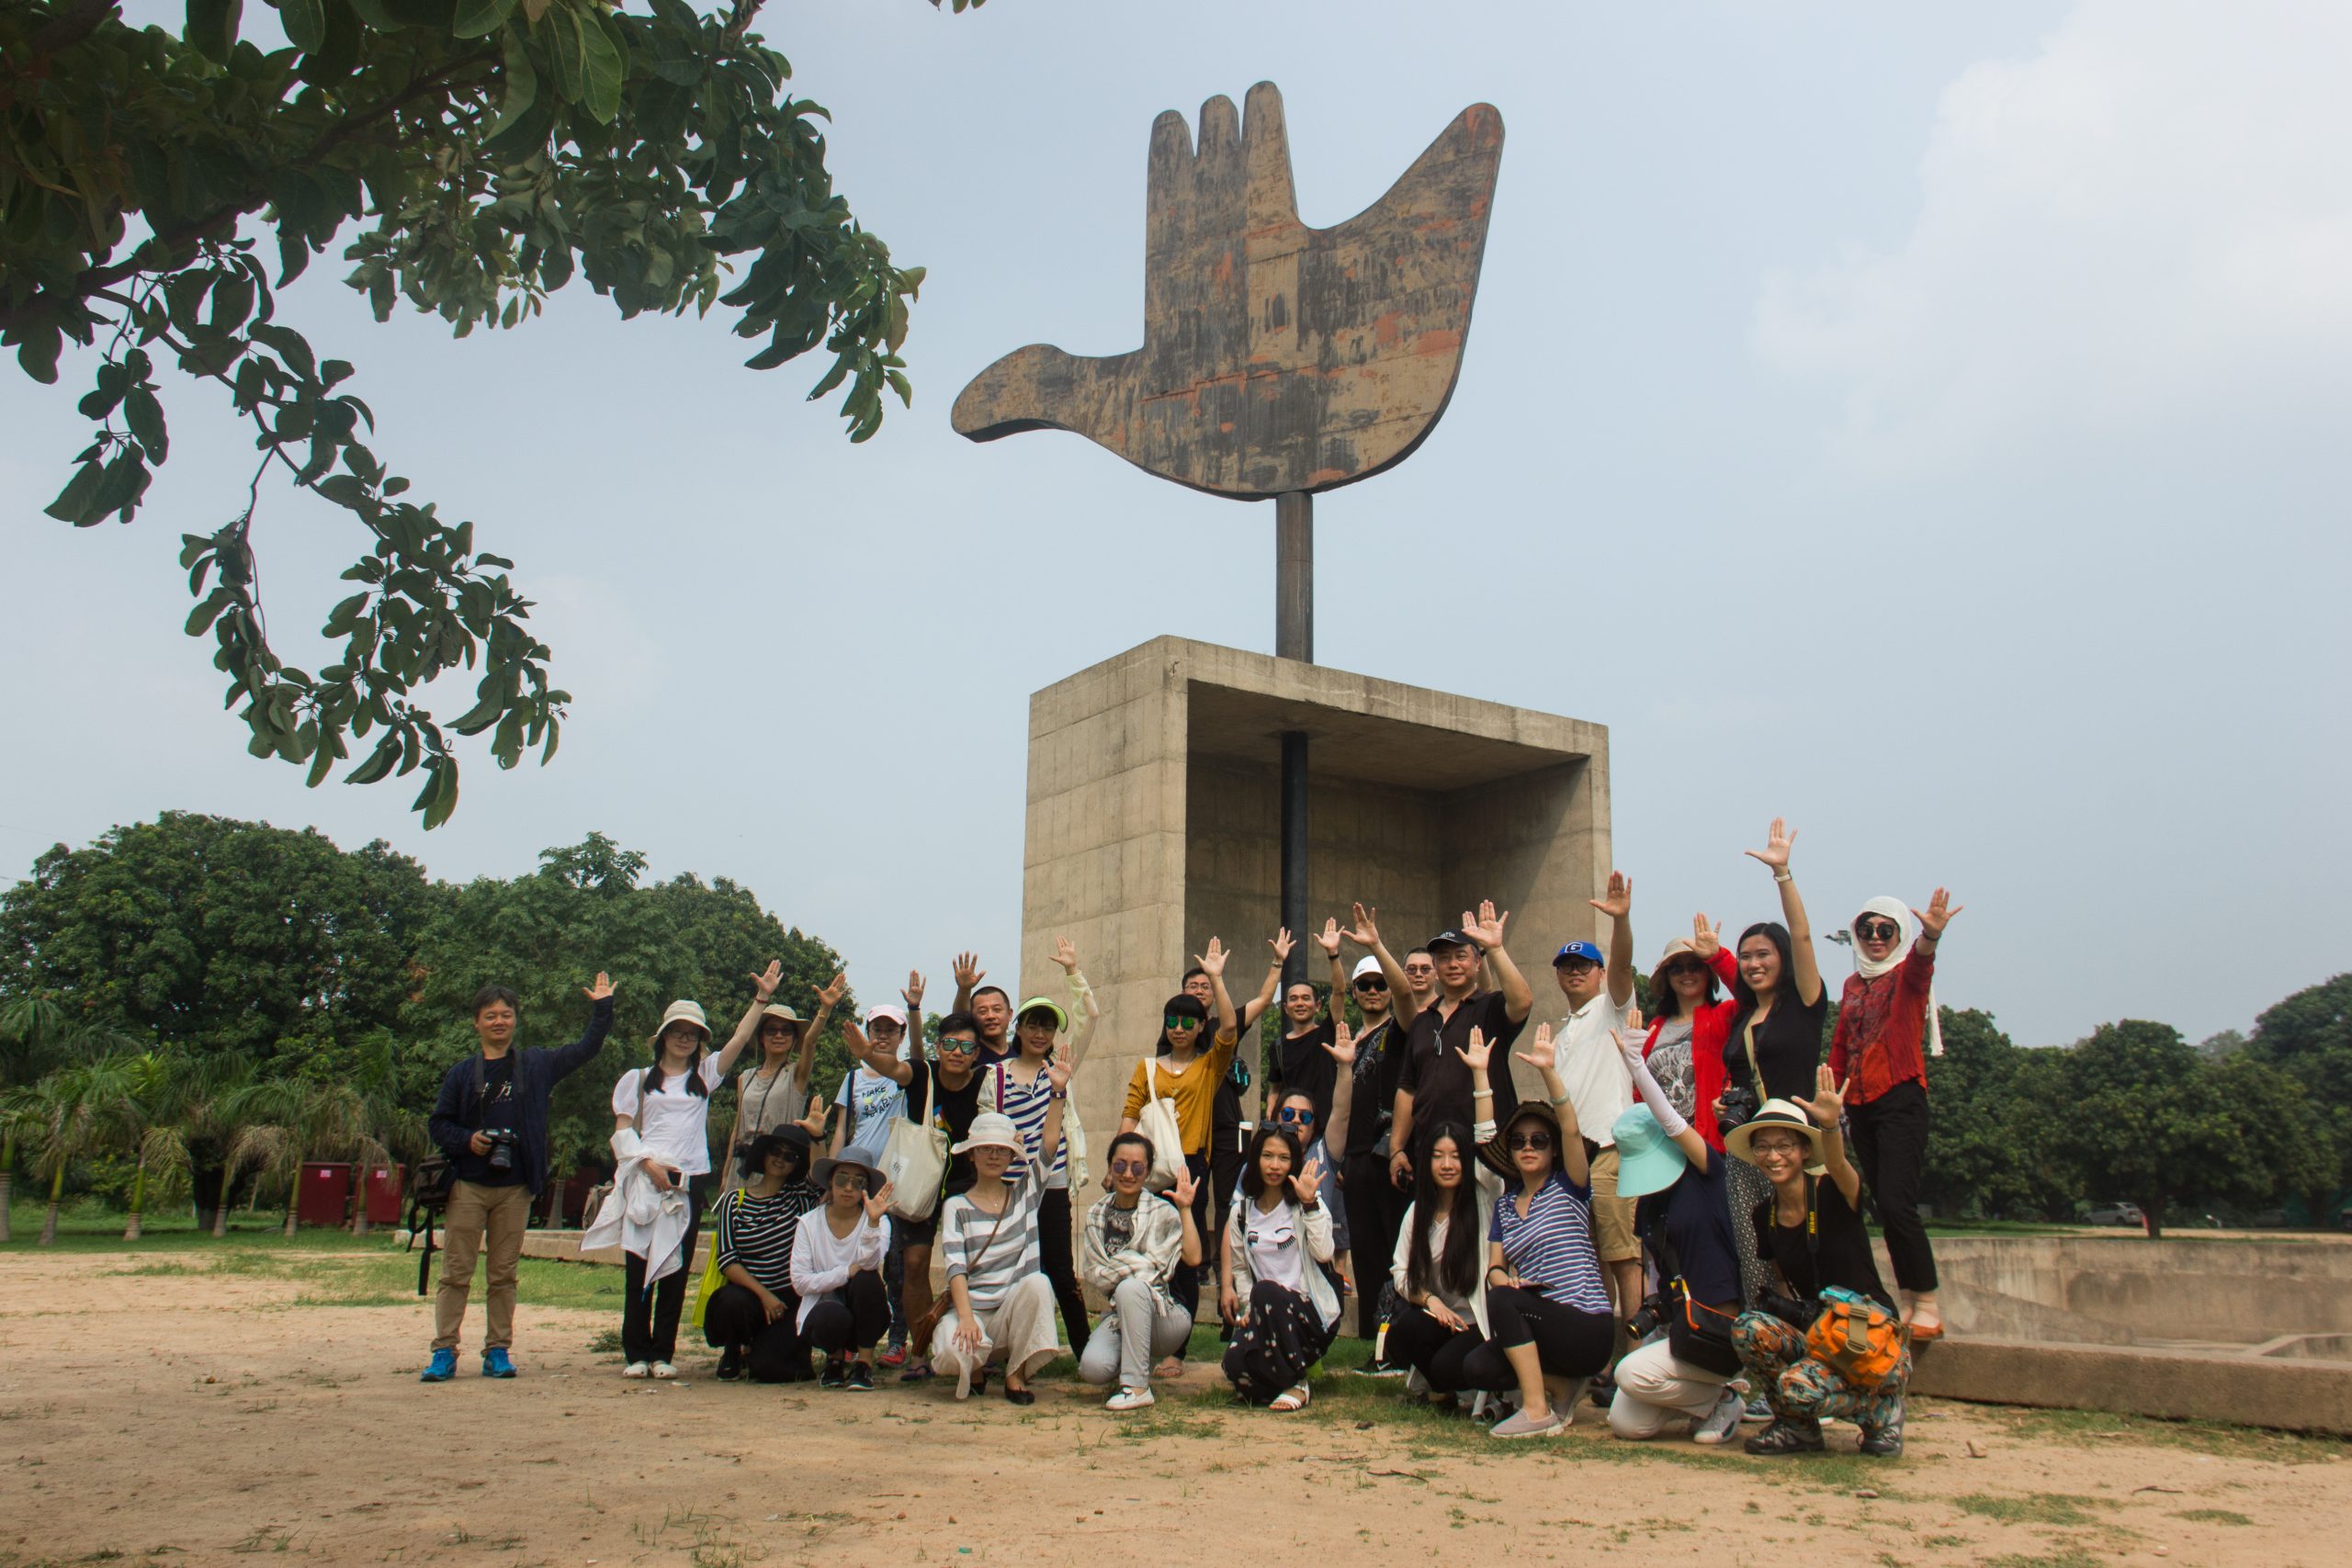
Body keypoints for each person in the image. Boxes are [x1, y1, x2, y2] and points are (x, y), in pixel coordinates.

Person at [422, 973, 616, 1382]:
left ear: (516, 1019)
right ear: (476, 1022)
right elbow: (438, 1124)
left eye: (506, 1014)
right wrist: (468, 1140)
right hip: (468, 1185)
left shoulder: (536, 1065)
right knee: (455, 1273)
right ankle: (444, 1351)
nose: (499, 1021)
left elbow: (585, 1049)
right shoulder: (461, 1074)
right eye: (490, 1015)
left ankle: (498, 1350)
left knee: (503, 1274)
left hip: (515, 1188)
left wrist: (603, 1008)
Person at [588, 966, 775, 1378]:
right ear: (664, 1036)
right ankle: (636, 1353)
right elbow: (622, 1130)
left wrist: (761, 1000)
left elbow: (739, 1040)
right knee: (639, 1269)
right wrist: (647, 1164)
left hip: (687, 1184)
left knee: (674, 1268)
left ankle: (662, 1354)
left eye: (692, 1033)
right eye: (678, 1031)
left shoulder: (703, 1078)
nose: (685, 1039)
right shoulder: (638, 1080)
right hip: (646, 1181)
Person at [1725, 1070, 1912, 1454]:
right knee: (1748, 1328)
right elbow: (1782, 1282)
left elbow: (1840, 1166)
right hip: (1819, 1329)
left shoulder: (1831, 1193)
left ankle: (1881, 1409)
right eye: (1763, 1147)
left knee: (1796, 1387)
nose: (1773, 1156)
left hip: (1865, 1329)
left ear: (1805, 1151)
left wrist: (1830, 1127)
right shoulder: (1765, 1215)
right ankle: (1798, 1428)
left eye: (1784, 1146)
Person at [1453, 1024, 1614, 1438]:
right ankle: (1561, 1387)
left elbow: (1572, 1129)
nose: (1528, 1147)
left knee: (1505, 1302)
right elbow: (1494, 1267)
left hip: (1585, 1324)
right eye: (1520, 1141)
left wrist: (1549, 1072)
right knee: (1477, 1366)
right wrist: (1503, 1279)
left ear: (1553, 1148)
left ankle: (1537, 1410)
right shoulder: (1506, 1206)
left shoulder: (1570, 1187)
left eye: (1539, 1140)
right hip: (1538, 1320)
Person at [1608, 1015, 1750, 1446]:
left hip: (1720, 1328)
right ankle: (1705, 1400)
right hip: (1683, 1331)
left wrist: (1637, 1067)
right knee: (1626, 1422)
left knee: (1630, 1373)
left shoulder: (1707, 1173)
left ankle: (1723, 1398)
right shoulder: (1651, 1205)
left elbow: (1671, 1121)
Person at [1828, 889, 1962, 1340]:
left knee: (1897, 1202)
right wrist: (1832, 1094)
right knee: (1881, 1205)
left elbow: (1922, 965)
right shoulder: (1853, 984)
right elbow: (1843, 1042)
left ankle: (1927, 1302)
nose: (1875, 937)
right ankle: (1907, 1301)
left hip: (1899, 1097)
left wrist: (1931, 936)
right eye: (1866, 929)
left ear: (1900, 934)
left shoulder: (1906, 976)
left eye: (1886, 930)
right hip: (1860, 1103)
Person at [837, 984, 986, 1383]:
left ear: (977, 1053)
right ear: (938, 1047)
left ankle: (976, 1346)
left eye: (966, 1046)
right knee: (915, 1264)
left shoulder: (985, 1081)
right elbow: (896, 1070)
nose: (957, 1052)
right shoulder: (923, 1073)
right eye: (949, 1044)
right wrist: (868, 1054)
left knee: (973, 1266)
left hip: (966, 1183)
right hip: (919, 1181)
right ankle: (920, 1352)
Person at [1718, 818, 1828, 1309]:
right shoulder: (1742, 1016)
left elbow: (1802, 937)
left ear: (1781, 958)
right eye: (1744, 957)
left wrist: (1782, 874)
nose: (1753, 964)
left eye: (1763, 954)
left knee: (1811, 1246)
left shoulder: (1803, 1004)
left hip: (1798, 1144)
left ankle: (1823, 1336)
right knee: (1755, 1256)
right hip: (1749, 1150)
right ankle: (1765, 1339)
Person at [986, 935, 1102, 1353]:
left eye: (1048, 1027)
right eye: (1033, 1025)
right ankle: (1008, 1348)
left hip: (1051, 1184)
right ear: (1018, 1029)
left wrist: (1073, 971)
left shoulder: (1061, 1066)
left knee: (1060, 1268)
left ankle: (1085, 1351)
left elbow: (1091, 1015)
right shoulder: (996, 1075)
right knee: (1009, 1266)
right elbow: (985, 1123)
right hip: (1008, 1185)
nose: (1040, 1033)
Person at [1548, 869, 1642, 1389]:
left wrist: (1621, 921)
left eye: (1584, 965)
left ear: (1600, 973)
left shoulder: (1612, 1008)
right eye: (1567, 967)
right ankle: (1602, 1360)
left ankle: (1635, 1358)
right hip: (1573, 1159)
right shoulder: (1564, 1030)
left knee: (1623, 1255)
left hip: (1610, 1148)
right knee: (1593, 1262)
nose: (1575, 972)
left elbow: (1623, 965)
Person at [1123, 942, 1243, 1349]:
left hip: (1190, 1166)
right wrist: (1119, 1165)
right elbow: (1130, 1116)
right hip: (1146, 1166)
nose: (1178, 1028)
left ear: (1199, 1026)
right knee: (1145, 1247)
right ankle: (1141, 1333)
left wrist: (1216, 980)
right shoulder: (1147, 1068)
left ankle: (1179, 1345)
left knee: (1187, 1257)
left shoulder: (1209, 1066)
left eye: (1187, 1022)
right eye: (1172, 1021)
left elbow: (1230, 1028)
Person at [935, 1076, 1071, 1404]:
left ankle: (1015, 1374)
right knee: (952, 1352)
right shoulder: (956, 1206)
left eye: (1002, 1150)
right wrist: (966, 1317)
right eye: (985, 1149)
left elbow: (1049, 1147)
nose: (993, 1156)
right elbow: (955, 1267)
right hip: (972, 1312)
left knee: (1039, 1283)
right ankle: (976, 1368)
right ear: (972, 1155)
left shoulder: (1025, 1195)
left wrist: (1057, 1093)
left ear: (1012, 1156)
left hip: (1011, 1313)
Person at [1390, 901, 1533, 1189]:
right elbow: (1407, 1088)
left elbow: (1522, 1002)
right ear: (1435, 967)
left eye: (1461, 956)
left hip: (1487, 1149)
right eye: (1444, 958)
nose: (1453, 964)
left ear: (1477, 963)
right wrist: (1396, 1148)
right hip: (1432, 1150)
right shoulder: (1421, 1022)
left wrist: (1496, 948)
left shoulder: (1490, 1008)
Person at [1219, 1122, 1340, 1411]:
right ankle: (1276, 1382)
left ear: (1293, 1162)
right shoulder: (1241, 1212)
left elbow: (1325, 1253)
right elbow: (1240, 1268)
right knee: (1234, 1365)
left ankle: (1297, 1382)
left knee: (1267, 1291)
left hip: (1309, 1316)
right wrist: (1248, 1307)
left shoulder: (1306, 1203)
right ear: (1256, 1159)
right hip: (1263, 1311)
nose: (1275, 1166)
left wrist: (1310, 1204)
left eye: (1284, 1158)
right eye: (1267, 1156)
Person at [1080, 1137, 1205, 1410]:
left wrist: (1185, 1209)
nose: (1128, 1174)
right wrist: (1138, 1266)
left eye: (1137, 1167)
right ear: (1110, 1167)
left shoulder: (1162, 1211)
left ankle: (1137, 1387)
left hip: (1166, 1314)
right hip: (1119, 1315)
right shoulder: (1096, 1214)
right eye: (1120, 1165)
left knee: (1131, 1286)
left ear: (1147, 1172)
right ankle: (1133, 1362)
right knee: (1092, 1368)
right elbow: (1094, 1272)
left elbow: (1194, 1257)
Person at [1384, 1115, 1498, 1405]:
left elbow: (1488, 1146)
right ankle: (1448, 1390)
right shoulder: (1418, 1212)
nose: (1447, 1165)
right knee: (1403, 1330)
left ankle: (1459, 1388)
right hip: (1442, 1320)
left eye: (1455, 1156)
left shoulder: (1485, 1203)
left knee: (1445, 1367)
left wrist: (1481, 1088)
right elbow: (1401, 1271)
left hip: (1478, 1326)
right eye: (1438, 1156)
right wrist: (1430, 1300)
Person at [704, 1124, 828, 1382]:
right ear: (764, 1153)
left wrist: (818, 1136)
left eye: (789, 1156)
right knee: (730, 1302)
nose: (780, 1159)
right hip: (749, 1295)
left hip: (788, 1299)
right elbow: (727, 1260)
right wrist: (764, 1295)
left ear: (797, 1164)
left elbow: (819, 1177)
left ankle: (758, 1352)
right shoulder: (733, 1202)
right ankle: (732, 1349)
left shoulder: (799, 1198)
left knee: (773, 1370)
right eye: (775, 1151)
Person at [718, 971, 843, 1195]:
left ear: (794, 1039)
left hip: (778, 1166)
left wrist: (824, 1010)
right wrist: (726, 1174)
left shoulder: (795, 1075)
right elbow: (738, 1128)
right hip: (742, 1167)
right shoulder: (745, 1077)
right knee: (738, 1215)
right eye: (772, 1030)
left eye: (786, 1031)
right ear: (761, 1037)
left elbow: (810, 1041)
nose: (778, 1035)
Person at [1639, 916, 1742, 1149]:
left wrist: (1718, 957)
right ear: (1667, 977)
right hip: (1663, 1149)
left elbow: (1750, 995)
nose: (1686, 973)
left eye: (1694, 966)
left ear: (1707, 972)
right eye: (1677, 968)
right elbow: (1641, 1088)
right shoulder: (1655, 1027)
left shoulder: (1724, 1015)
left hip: (1711, 1145)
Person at [950, 952, 1017, 1067]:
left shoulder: (1021, 1057)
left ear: (1010, 1014)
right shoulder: (969, 1055)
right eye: (982, 1012)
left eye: (997, 1010)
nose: (990, 1016)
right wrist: (964, 990)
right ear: (972, 1016)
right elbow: (960, 1022)